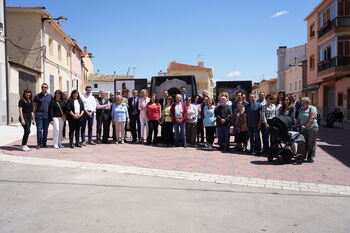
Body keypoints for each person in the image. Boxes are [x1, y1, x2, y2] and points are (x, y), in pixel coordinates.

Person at [297, 97, 319, 163]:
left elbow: (312, 118)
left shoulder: (312, 108)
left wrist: (306, 126)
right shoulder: (301, 109)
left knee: (311, 143)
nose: (302, 104)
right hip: (303, 129)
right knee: (302, 142)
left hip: (312, 128)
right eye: (302, 103)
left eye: (304, 103)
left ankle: (310, 157)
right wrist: (295, 124)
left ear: (308, 103)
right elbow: (298, 118)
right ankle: (302, 156)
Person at [33, 83, 53, 149]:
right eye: (43, 87)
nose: (44, 88)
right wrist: (34, 117)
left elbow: (51, 108)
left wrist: (51, 118)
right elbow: (34, 107)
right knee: (39, 130)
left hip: (46, 115)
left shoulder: (50, 96)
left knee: (45, 130)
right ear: (41, 88)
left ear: (47, 88)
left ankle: (44, 143)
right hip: (39, 115)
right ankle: (39, 144)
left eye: (45, 87)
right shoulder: (37, 96)